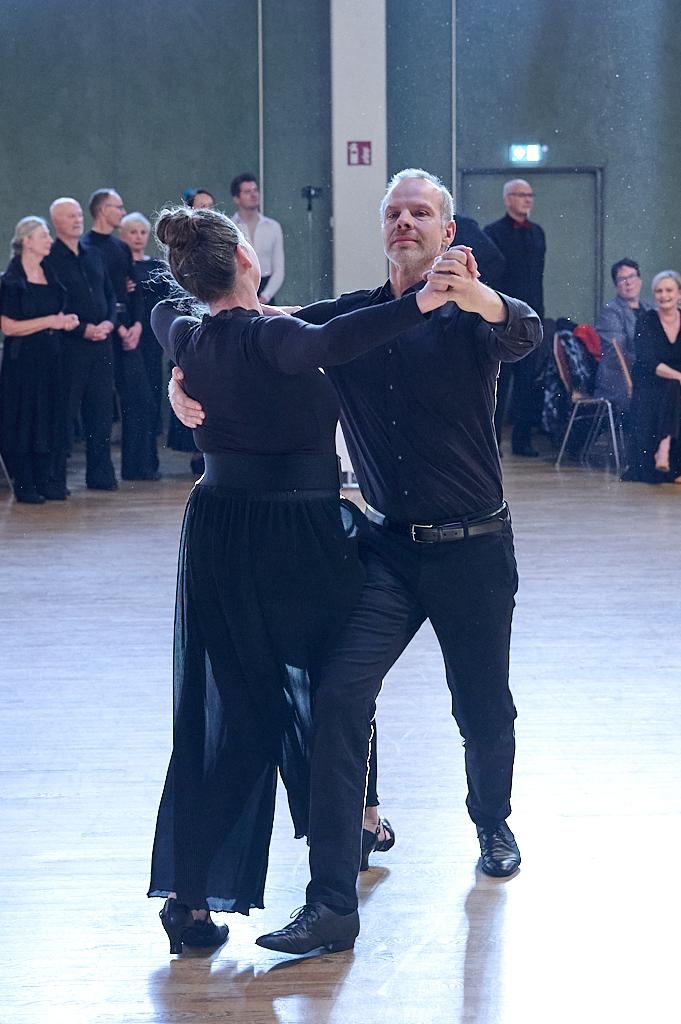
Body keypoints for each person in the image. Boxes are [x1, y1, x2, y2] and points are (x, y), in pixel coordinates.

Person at [170, 168, 542, 955]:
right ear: (382, 229)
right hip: (386, 548)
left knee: (480, 708)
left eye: (421, 212)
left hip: (473, 549)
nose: (405, 221)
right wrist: (179, 379)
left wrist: (477, 296)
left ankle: (491, 821)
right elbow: (247, 330)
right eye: (394, 211)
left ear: (447, 232)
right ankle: (332, 903)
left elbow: (523, 330)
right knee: (339, 697)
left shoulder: (471, 316)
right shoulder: (346, 317)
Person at [0, 217, 79, 503]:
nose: (49, 240)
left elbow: (55, 315)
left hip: (51, 358)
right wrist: (51, 321)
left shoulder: (50, 275)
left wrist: (65, 322)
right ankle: (25, 483)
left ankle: (45, 480)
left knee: (49, 416)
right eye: (44, 235)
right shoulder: (10, 282)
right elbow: (9, 327)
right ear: (27, 241)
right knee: (25, 417)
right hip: (23, 362)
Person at [82, 189, 158, 481]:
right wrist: (119, 325)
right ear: (103, 210)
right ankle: (100, 474)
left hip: (129, 331)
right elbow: (98, 293)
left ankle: (137, 468)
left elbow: (133, 289)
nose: (123, 212)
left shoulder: (120, 248)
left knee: (140, 399)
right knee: (100, 407)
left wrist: (137, 324)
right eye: (118, 207)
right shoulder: (86, 247)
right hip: (104, 331)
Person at [46, 198, 118, 491]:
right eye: (70, 216)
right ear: (56, 222)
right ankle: (55, 480)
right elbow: (52, 305)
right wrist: (83, 329)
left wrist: (109, 322)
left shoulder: (94, 253)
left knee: (100, 413)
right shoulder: (50, 258)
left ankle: (100, 476)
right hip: (70, 347)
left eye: (78, 214)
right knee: (64, 414)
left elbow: (110, 295)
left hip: (102, 345)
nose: (77, 220)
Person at [486, 178, 546, 457]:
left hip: (531, 316)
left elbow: (537, 279)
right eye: (521, 195)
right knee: (499, 383)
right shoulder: (493, 233)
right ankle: (493, 442)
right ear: (508, 198)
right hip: (503, 317)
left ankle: (522, 442)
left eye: (530, 194)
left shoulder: (537, 233)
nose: (527, 199)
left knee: (527, 383)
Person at [624, 270, 681, 483]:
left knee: (675, 388)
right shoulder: (646, 320)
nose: (664, 295)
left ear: (679, 294)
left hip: (676, 385)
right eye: (659, 291)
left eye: (669, 290)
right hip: (651, 384)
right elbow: (649, 362)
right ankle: (664, 450)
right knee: (673, 387)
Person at [119, 212, 166, 453]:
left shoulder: (157, 266)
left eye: (143, 232)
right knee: (136, 396)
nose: (138, 237)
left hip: (153, 336)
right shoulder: (121, 267)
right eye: (133, 232)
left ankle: (151, 456)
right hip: (130, 335)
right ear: (122, 235)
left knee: (153, 392)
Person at [594, 258, 652, 417]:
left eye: (632, 276)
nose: (629, 283)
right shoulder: (610, 312)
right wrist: (654, 365)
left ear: (640, 280)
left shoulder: (651, 308)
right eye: (622, 279)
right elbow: (618, 354)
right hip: (621, 378)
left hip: (649, 372)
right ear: (616, 285)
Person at [230, 173, 284, 303]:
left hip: (266, 288)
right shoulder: (230, 226)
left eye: (255, 190)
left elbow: (279, 269)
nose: (253, 195)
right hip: (239, 287)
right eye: (247, 192)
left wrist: (265, 296)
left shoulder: (273, 227)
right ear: (236, 198)